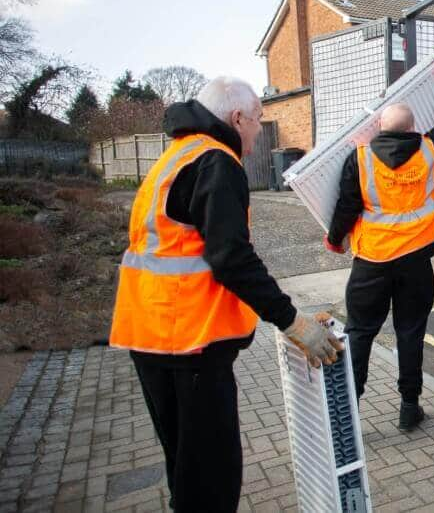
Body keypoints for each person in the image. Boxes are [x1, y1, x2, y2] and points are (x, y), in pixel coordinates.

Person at [109, 76, 342, 512]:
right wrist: (294, 323)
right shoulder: (216, 162)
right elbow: (231, 258)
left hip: (151, 334)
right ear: (237, 118)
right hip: (190, 343)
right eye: (257, 120)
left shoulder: (177, 155)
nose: (258, 130)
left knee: (186, 471)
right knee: (212, 481)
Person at [325, 49, 434, 431]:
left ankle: (347, 415)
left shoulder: (361, 157)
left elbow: (347, 206)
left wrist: (335, 239)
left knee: (360, 333)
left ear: (379, 129)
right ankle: (408, 406)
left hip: (371, 263)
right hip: (416, 263)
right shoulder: (430, 149)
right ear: (411, 128)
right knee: (410, 332)